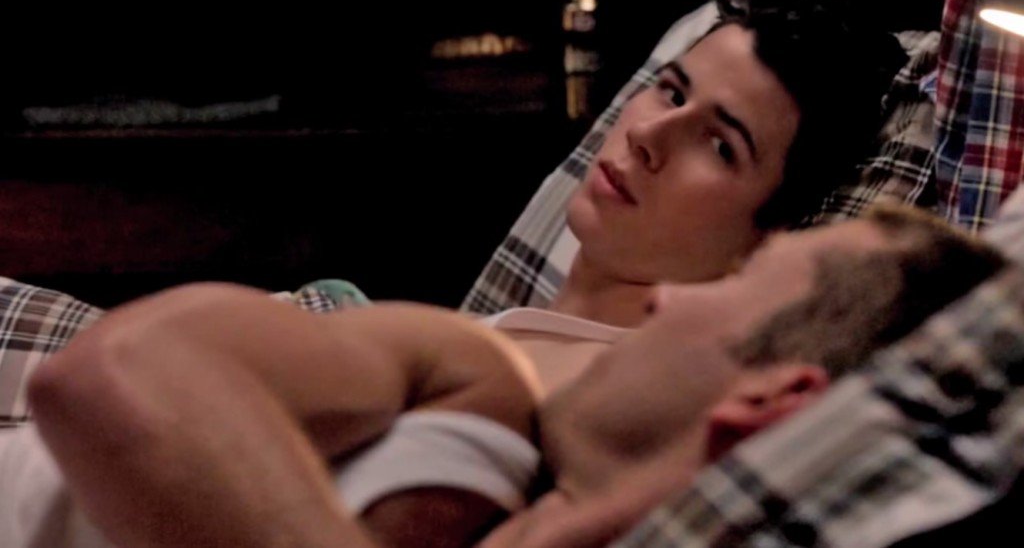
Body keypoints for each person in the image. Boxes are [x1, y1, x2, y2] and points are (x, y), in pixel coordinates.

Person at [14, 205, 1004, 548]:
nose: (664, 299)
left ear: (769, 397)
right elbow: (116, 372)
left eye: (738, 281)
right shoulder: (479, 377)